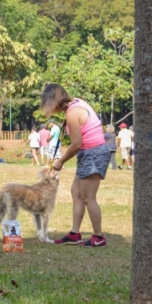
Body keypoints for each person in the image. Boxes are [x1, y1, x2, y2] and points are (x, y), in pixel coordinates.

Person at [42, 84, 110, 248]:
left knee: (88, 197)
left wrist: (60, 161)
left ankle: (98, 236)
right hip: (88, 153)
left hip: (93, 153)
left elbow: (76, 144)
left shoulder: (72, 113)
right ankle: (74, 233)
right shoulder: (76, 103)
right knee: (77, 192)